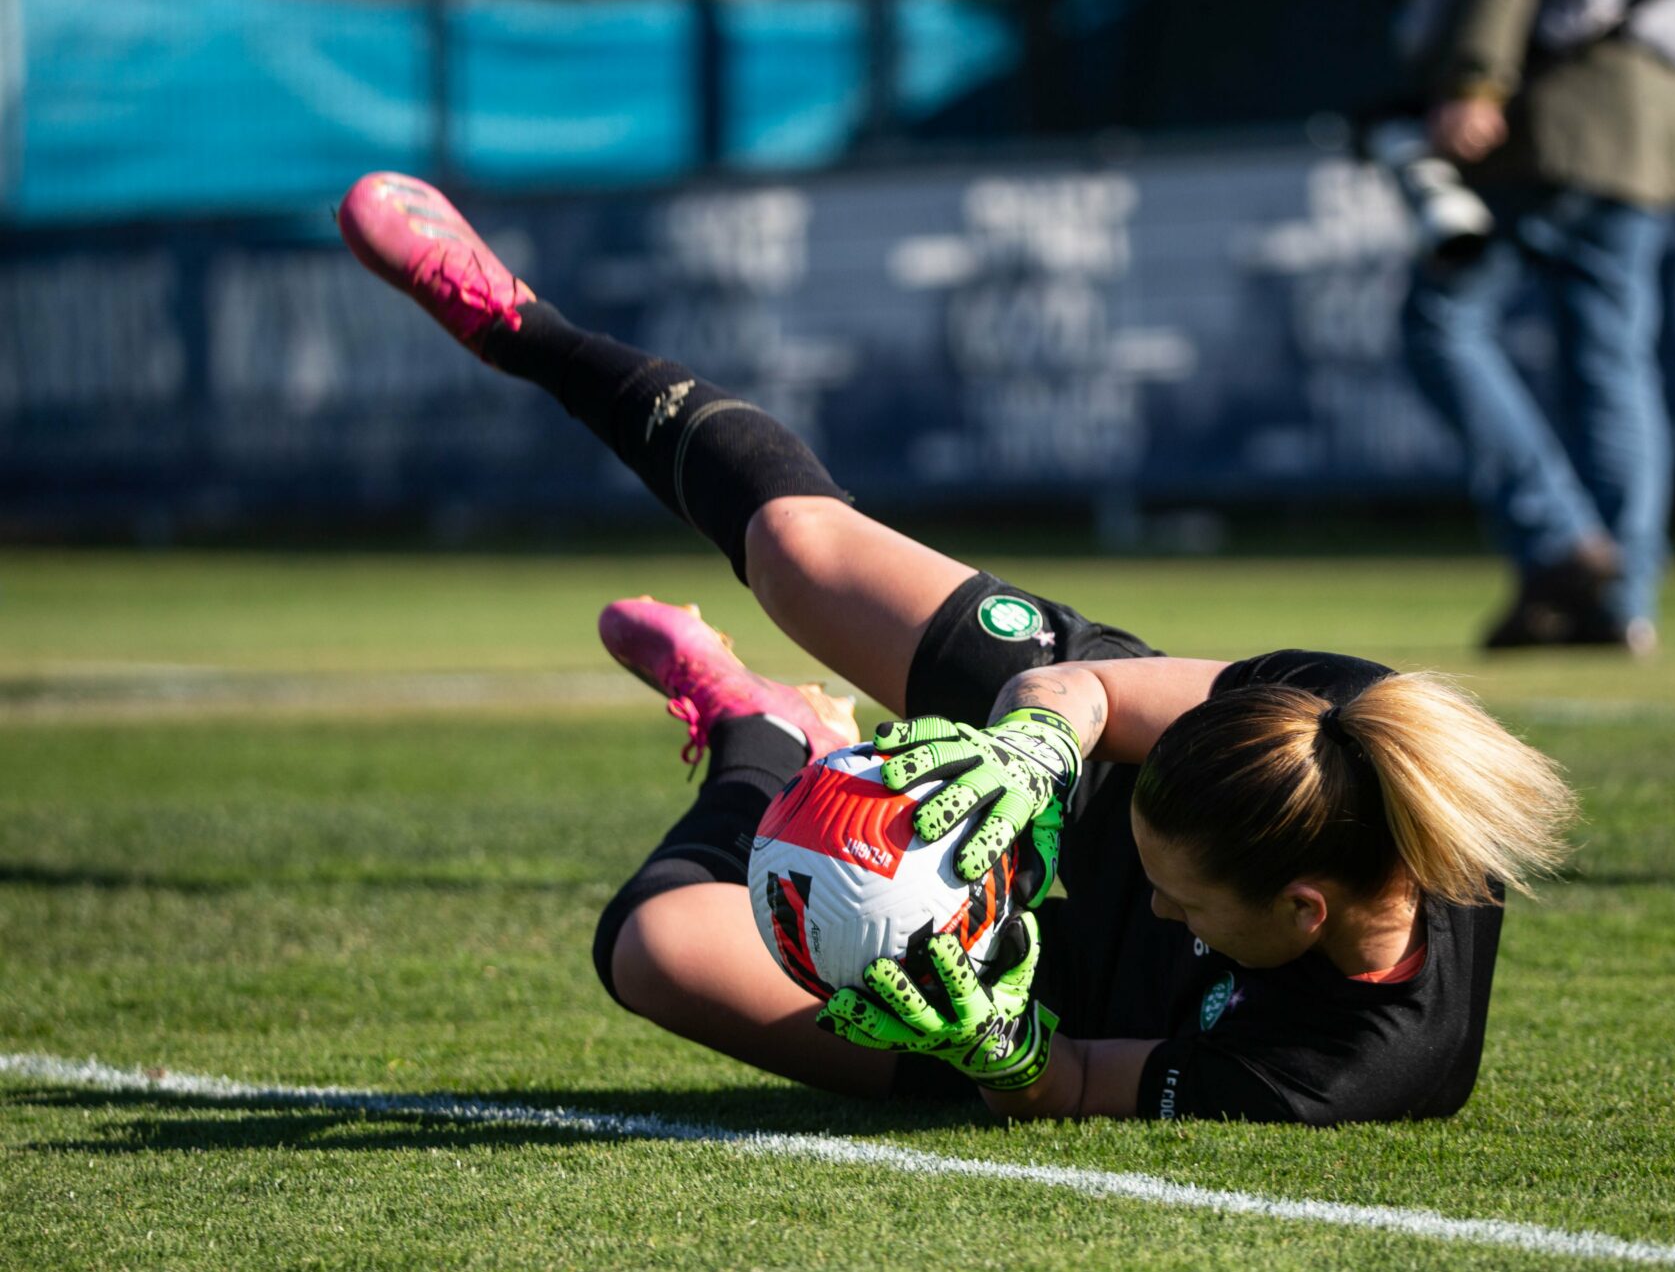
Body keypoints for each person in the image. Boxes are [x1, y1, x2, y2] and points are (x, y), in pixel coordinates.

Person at [338, 171, 1576, 1124]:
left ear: (1302, 912)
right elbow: (1085, 687)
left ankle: (759, 735)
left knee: (654, 951)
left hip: (1041, 995)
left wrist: (997, 1048)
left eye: (1180, 903)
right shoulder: (1346, 720)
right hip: (1076, 762)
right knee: (801, 555)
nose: (1152, 903)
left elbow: (1079, 1081)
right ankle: (522, 328)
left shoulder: (1346, 1069)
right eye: (1161, 876)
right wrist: (1038, 753)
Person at [1395, 0, 1675, 653]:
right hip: (1658, 111)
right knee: (1612, 359)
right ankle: (1618, 603)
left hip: (1561, 98)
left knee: (1439, 321)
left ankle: (1560, 543)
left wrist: (1476, 77)